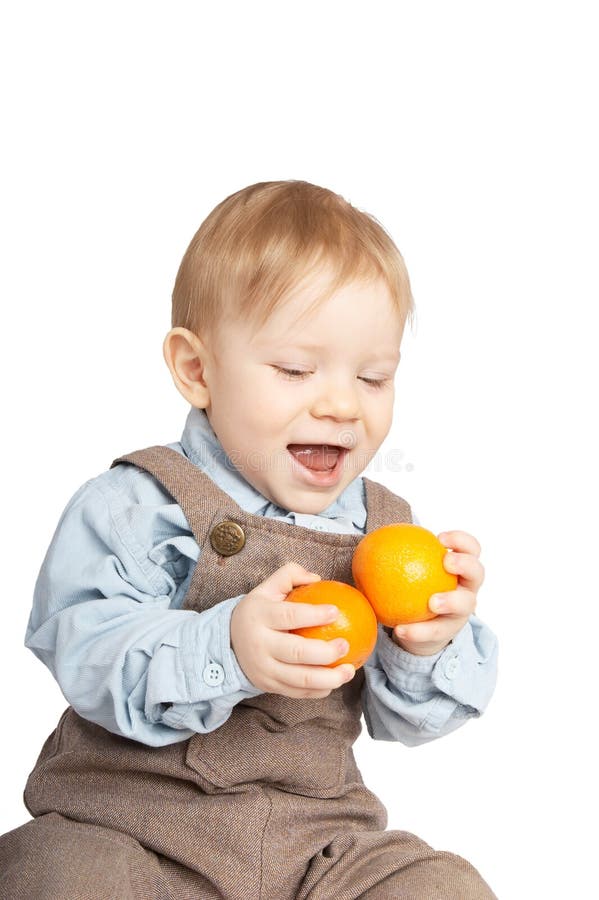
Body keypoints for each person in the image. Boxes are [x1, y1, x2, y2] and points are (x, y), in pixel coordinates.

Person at [0, 180, 498, 899]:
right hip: (134, 833)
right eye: (295, 370)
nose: (339, 404)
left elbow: (407, 722)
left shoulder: (384, 530)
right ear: (197, 370)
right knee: (65, 875)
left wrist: (428, 643)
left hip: (315, 849)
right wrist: (225, 648)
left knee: (438, 885)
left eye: (372, 377)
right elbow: (85, 655)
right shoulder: (134, 507)